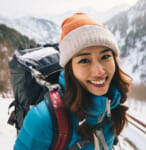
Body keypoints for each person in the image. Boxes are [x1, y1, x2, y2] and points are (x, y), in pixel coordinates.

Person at [13, 13, 132, 150]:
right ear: (70, 69)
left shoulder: (111, 104)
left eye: (105, 56)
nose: (99, 71)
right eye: (84, 60)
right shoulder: (43, 120)